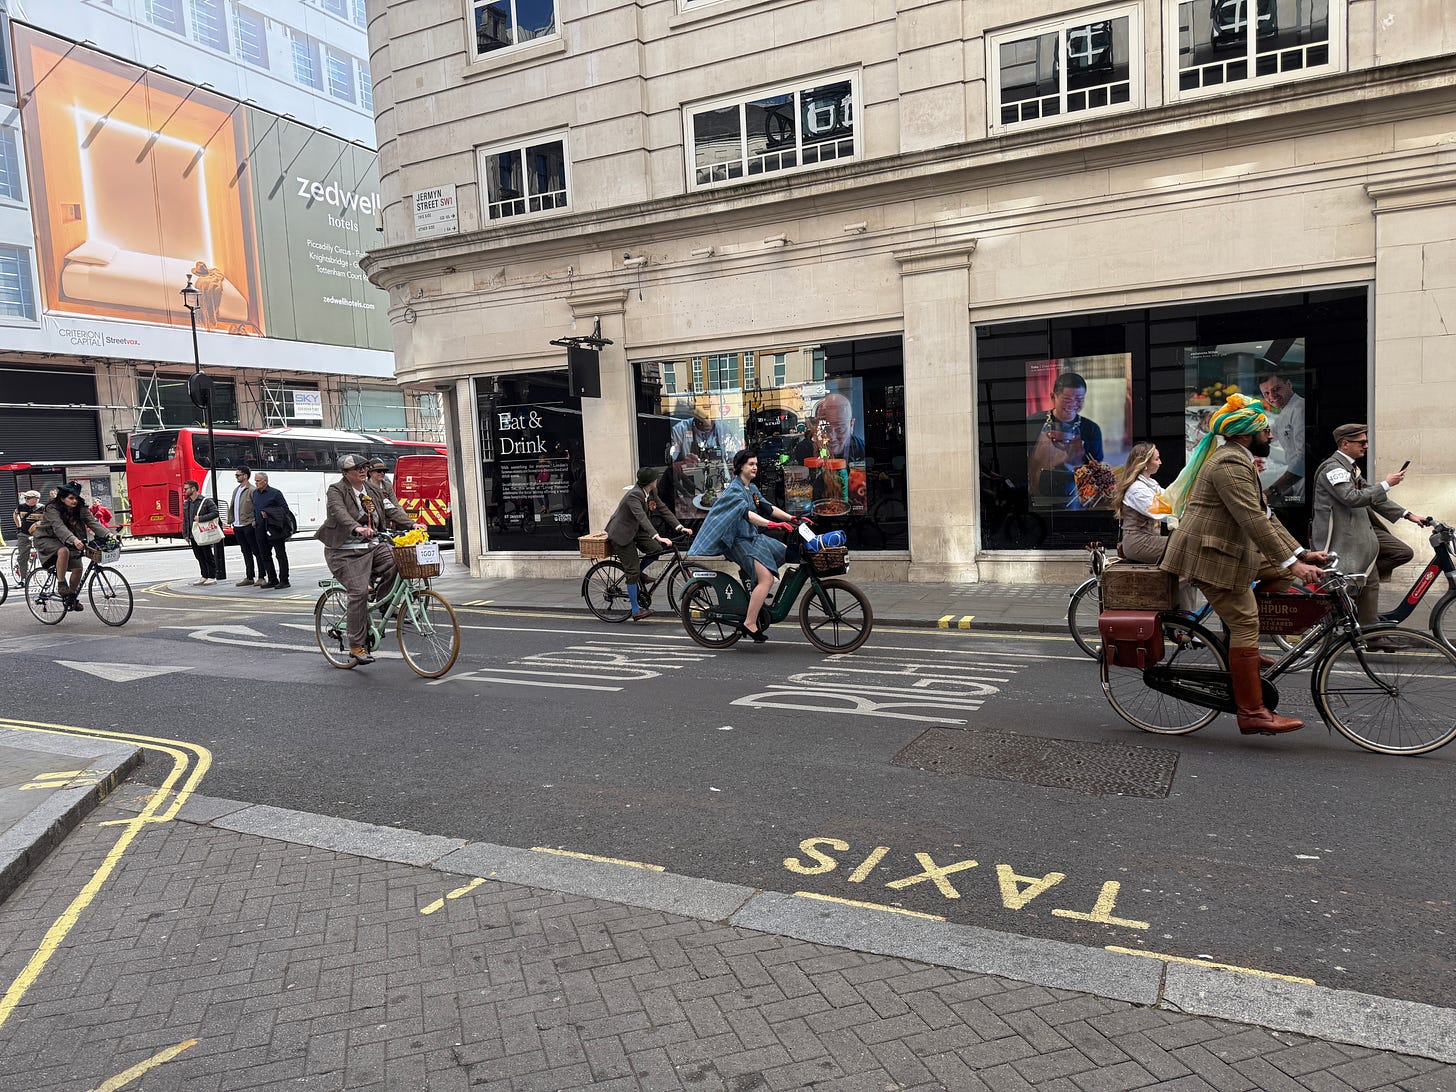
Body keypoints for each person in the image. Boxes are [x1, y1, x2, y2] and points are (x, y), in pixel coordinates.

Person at [1159, 396, 1330, 736]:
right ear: (1245, 434)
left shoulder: (1241, 459)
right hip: (1209, 554)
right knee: (1246, 620)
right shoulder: (1229, 464)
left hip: (1227, 548)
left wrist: (1298, 554)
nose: (1271, 435)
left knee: (1279, 574)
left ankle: (1237, 648)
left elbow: (1266, 515)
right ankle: (1252, 711)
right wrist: (1294, 564)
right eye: (1265, 430)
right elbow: (1251, 519)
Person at [1309, 424, 1428, 639]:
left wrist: (1409, 515)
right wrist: (1385, 484)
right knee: (1369, 579)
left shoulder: (1351, 468)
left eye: (1366, 441)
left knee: (1401, 552)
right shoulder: (1333, 468)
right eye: (1361, 442)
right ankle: (1369, 632)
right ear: (1345, 444)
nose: (1366, 446)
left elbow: (1373, 497)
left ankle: (1355, 592)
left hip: (1363, 533)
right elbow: (1351, 498)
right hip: (1343, 536)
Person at [316, 454, 419, 666]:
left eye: (364, 467)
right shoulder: (336, 490)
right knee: (359, 593)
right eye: (357, 468)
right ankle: (356, 645)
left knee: (399, 559)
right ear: (346, 473)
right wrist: (357, 527)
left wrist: (411, 524)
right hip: (344, 552)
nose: (363, 471)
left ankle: (383, 602)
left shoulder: (373, 490)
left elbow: (391, 508)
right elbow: (339, 512)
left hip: (371, 546)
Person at [692, 448, 799, 643]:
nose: (755, 467)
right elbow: (746, 514)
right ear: (741, 466)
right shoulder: (735, 490)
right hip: (738, 542)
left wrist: (791, 518)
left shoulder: (752, 488)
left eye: (756, 464)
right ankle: (750, 623)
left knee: (785, 552)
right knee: (767, 579)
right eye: (751, 464)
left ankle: (754, 587)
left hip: (753, 537)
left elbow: (768, 507)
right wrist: (772, 525)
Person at [605, 467, 688, 621]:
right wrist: (658, 536)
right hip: (621, 534)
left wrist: (679, 527)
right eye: (655, 478)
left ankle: (639, 574)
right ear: (650, 482)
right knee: (632, 570)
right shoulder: (634, 495)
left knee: (656, 550)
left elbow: (663, 509)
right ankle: (636, 610)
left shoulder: (651, 491)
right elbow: (642, 518)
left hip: (636, 530)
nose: (657, 480)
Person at [1026, 372, 1104, 509]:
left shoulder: (1091, 429)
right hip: (1037, 500)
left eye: (1079, 399)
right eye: (1067, 399)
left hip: (1075, 502)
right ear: (1053, 397)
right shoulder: (1032, 423)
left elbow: (1095, 467)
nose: (1073, 404)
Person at [31, 483, 110, 611]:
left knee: (78, 569)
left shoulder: (80, 507)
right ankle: (61, 584)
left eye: (76, 498)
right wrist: (74, 540)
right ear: (63, 498)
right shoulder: (52, 508)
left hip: (68, 539)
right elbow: (59, 527)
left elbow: (92, 522)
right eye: (71, 498)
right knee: (63, 551)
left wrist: (109, 535)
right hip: (47, 538)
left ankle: (70, 597)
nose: (74, 501)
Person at [1110, 443, 1171, 564]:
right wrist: (1186, 516)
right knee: (1183, 546)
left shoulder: (1151, 484)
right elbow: (1161, 512)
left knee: (1187, 543)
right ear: (1145, 463)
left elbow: (1170, 499)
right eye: (1157, 459)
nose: (1160, 462)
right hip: (1139, 543)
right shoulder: (1137, 489)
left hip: (1149, 540)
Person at [1258, 369, 1306, 504]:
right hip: (1296, 481)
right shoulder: (1285, 411)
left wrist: (1274, 490)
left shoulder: (1300, 409)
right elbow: (1270, 435)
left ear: (1289, 384)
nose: (1272, 396)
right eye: (1266, 393)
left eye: (1276, 389)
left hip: (1304, 480)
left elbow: (1303, 459)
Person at [252, 472, 292, 589]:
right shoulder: (255, 493)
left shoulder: (275, 493)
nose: (256, 483)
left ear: (265, 481)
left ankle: (284, 580)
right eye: (255, 481)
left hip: (274, 528)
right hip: (260, 528)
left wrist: (268, 513)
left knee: (280, 555)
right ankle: (272, 579)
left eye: (258, 481)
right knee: (265, 555)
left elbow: (284, 509)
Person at [226, 466, 260, 586]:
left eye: (238, 475)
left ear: (245, 476)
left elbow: (256, 508)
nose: (236, 477)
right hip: (238, 525)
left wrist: (253, 522)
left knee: (256, 551)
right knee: (245, 551)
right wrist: (231, 520)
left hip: (248, 524)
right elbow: (233, 507)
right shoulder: (236, 490)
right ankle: (249, 577)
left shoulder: (252, 490)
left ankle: (261, 576)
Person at [181, 480, 220, 586]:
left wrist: (201, 518)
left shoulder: (206, 501)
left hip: (203, 533)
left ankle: (212, 576)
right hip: (193, 534)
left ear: (193, 488)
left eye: (186, 489)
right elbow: (185, 519)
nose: (184, 491)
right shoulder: (187, 503)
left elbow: (215, 513)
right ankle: (204, 576)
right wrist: (185, 534)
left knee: (207, 555)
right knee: (199, 556)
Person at [12, 489, 43, 584]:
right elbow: (15, 515)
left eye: (28, 498)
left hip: (38, 534)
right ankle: (23, 579)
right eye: (25, 497)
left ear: (36, 499)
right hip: (24, 534)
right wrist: (19, 526)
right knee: (23, 557)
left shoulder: (42, 508)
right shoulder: (21, 507)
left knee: (45, 553)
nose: (26, 499)